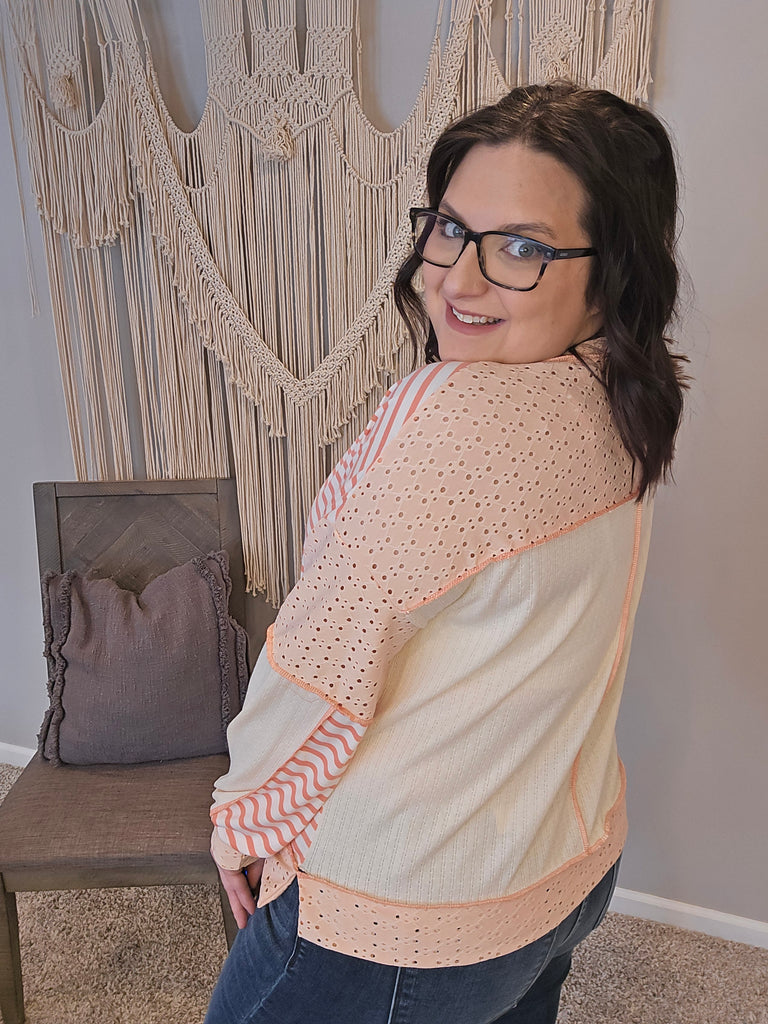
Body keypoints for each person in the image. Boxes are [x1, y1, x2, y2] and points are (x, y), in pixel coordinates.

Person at [204, 80, 687, 1024]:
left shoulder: (455, 415)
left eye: (522, 248)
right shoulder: (629, 391)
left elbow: (321, 666)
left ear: (613, 270)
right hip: (565, 867)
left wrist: (245, 818)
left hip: (407, 908)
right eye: (450, 228)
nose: (458, 279)